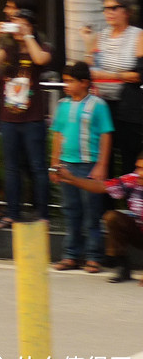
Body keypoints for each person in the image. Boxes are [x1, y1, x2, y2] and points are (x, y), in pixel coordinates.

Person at [0, 0, 54, 228]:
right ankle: (13, 213)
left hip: (32, 118)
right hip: (9, 117)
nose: (17, 28)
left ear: (31, 26)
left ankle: (43, 214)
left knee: (37, 167)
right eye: (14, 23)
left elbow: (41, 60)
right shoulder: (7, 49)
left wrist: (28, 36)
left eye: (21, 23)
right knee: (11, 167)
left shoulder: (42, 47)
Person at [50, 62, 114, 273]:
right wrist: (54, 165)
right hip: (67, 165)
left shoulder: (98, 105)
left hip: (89, 166)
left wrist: (101, 165)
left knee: (91, 212)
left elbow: (106, 134)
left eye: (69, 81)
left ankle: (94, 256)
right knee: (71, 211)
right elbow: (58, 135)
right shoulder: (63, 105)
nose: (65, 85)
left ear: (84, 82)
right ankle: (71, 255)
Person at [81, 0, 143, 180]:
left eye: (113, 8)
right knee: (103, 158)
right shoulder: (101, 36)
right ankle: (105, 207)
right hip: (102, 104)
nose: (108, 12)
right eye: (105, 8)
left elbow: (139, 75)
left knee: (128, 158)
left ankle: (129, 207)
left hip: (128, 107)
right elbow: (89, 68)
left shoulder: (138, 36)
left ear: (127, 11)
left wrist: (111, 75)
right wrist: (87, 45)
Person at [55, 155, 143, 284]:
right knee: (112, 217)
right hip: (139, 231)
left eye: (142, 169)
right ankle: (122, 267)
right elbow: (101, 186)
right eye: (137, 167)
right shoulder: (133, 180)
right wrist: (71, 179)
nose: (138, 172)